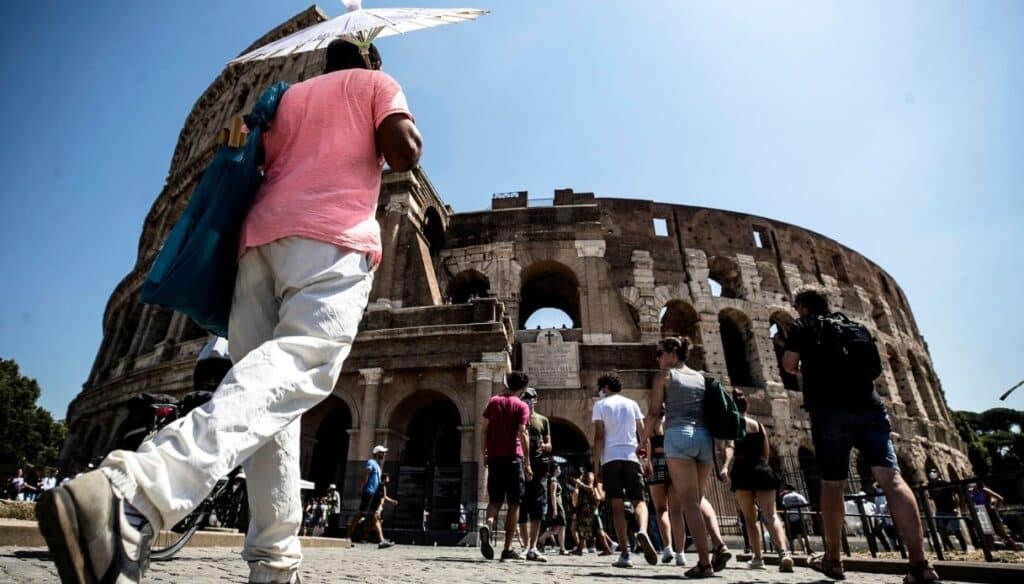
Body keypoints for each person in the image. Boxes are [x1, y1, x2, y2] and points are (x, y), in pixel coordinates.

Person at [37, 39, 421, 584]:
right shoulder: (375, 84)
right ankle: (137, 491)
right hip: (331, 241)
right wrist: (402, 125)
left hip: (257, 247)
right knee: (304, 365)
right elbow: (403, 150)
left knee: (269, 407)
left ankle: (274, 564)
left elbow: (252, 164)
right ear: (370, 61)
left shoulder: (283, 99)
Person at [783, 286, 938, 582]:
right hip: (869, 407)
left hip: (830, 411)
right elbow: (875, 369)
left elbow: (789, 365)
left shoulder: (803, 325)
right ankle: (920, 563)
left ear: (802, 306)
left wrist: (810, 364)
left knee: (832, 484)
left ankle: (833, 560)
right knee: (892, 479)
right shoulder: (855, 327)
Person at [643, 338, 731, 578]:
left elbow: (653, 413)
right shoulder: (702, 377)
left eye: (660, 353)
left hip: (679, 435)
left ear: (672, 353)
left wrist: (642, 442)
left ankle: (704, 562)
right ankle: (719, 545)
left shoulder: (665, 376)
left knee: (689, 502)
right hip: (705, 439)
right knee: (699, 498)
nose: (658, 358)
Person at [721, 389, 794, 572]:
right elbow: (766, 452)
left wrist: (725, 466)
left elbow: (730, 447)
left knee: (749, 519)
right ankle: (784, 552)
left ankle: (758, 557)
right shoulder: (759, 426)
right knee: (771, 514)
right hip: (761, 469)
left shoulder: (733, 425)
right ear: (747, 407)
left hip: (742, 471)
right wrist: (761, 468)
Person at [592, 372, 657, 568]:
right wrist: (648, 461)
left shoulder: (600, 405)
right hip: (632, 456)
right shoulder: (632, 404)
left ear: (604, 388)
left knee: (617, 506)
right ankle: (643, 530)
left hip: (611, 458)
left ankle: (625, 553)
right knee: (639, 500)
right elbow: (643, 434)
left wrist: (596, 465)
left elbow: (599, 436)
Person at [479, 371, 533, 561]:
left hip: (494, 457)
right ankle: (507, 548)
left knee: (494, 501)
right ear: (523, 388)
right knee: (514, 504)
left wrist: (484, 453)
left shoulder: (493, 401)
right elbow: (523, 434)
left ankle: (488, 523)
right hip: (513, 458)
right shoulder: (522, 406)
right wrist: (527, 462)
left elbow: (483, 428)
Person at [646, 415, 687, 566]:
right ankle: (681, 553)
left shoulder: (649, 424)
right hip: (674, 462)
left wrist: (647, 462)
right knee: (677, 511)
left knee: (661, 509)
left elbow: (647, 445)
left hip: (657, 463)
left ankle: (667, 547)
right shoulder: (674, 421)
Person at [517, 387, 552, 562]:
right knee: (522, 506)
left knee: (538, 506)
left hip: (539, 468)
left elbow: (549, 444)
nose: (529, 400)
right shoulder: (517, 418)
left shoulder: (543, 420)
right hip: (520, 466)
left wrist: (544, 447)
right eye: (525, 397)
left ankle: (533, 547)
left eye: (531, 397)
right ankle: (525, 546)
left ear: (536, 399)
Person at [347, 445, 391, 549]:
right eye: (382, 452)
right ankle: (347, 537)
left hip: (374, 494)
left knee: (375, 516)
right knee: (359, 515)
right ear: (377, 453)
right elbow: (366, 474)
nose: (384, 454)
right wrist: (362, 489)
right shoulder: (371, 462)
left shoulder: (378, 465)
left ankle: (382, 541)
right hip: (369, 493)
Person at [927, 469, 966, 552]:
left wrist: (957, 507)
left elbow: (955, 495)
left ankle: (964, 549)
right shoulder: (930, 486)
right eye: (931, 473)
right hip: (940, 510)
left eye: (934, 472)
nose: (932, 474)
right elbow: (931, 497)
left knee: (957, 531)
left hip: (950, 509)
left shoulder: (945, 483)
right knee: (941, 530)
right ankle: (950, 548)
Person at [538, 465, 568, 554]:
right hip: (557, 506)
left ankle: (540, 540)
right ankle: (562, 548)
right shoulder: (553, 480)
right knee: (562, 526)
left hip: (557, 505)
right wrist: (555, 509)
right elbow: (553, 495)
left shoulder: (552, 479)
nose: (560, 470)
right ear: (555, 470)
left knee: (554, 529)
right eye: (559, 468)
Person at [373, 474, 398, 547]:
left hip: (378, 507)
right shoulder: (382, 486)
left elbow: (384, 497)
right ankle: (381, 540)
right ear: (384, 479)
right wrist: (379, 508)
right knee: (376, 522)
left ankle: (381, 540)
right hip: (378, 507)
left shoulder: (381, 486)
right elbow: (382, 498)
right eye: (388, 478)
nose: (389, 480)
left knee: (377, 522)